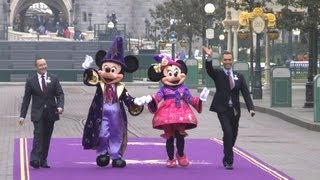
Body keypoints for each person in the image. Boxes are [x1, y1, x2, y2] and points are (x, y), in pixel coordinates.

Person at [137, 54, 208, 168]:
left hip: (181, 115)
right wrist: (149, 98)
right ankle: (170, 158)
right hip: (167, 116)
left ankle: (180, 154)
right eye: (170, 73)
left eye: (176, 73)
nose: (174, 76)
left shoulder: (184, 88)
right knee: (169, 137)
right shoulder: (164, 89)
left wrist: (200, 99)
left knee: (180, 136)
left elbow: (189, 99)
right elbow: (157, 97)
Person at [203, 47, 255, 170]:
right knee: (228, 132)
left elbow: (246, 93)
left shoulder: (239, 76)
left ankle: (227, 150)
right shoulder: (218, 74)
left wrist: (251, 108)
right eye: (225, 60)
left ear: (232, 61)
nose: (227, 62)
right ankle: (229, 161)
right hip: (222, 108)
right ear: (222, 61)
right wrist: (209, 57)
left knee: (233, 134)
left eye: (229, 60)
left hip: (235, 110)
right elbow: (209, 69)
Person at [18, 57, 64, 169]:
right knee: (38, 134)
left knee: (47, 137)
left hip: (51, 113)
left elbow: (60, 94)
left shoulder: (54, 78)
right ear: (36, 67)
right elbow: (26, 99)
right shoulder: (30, 80)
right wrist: (22, 116)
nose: (43, 66)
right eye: (40, 65)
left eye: (44, 64)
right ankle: (34, 159)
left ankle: (43, 160)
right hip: (37, 113)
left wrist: (60, 106)